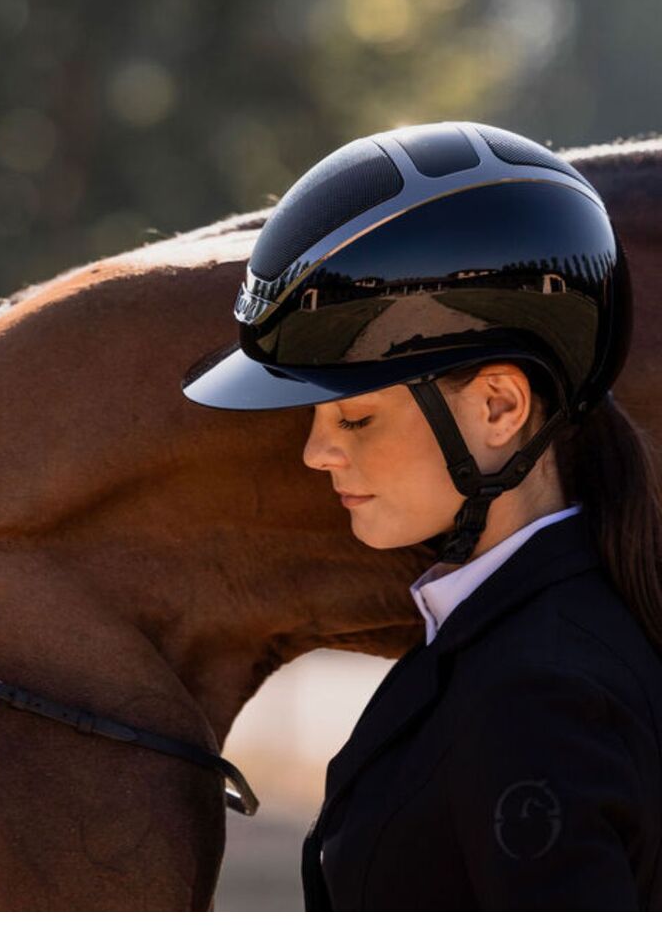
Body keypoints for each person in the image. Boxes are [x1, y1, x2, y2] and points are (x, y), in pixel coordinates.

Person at [181, 121, 662, 910]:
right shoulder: (517, 641)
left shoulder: (538, 696)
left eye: (356, 419)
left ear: (499, 407)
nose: (315, 455)